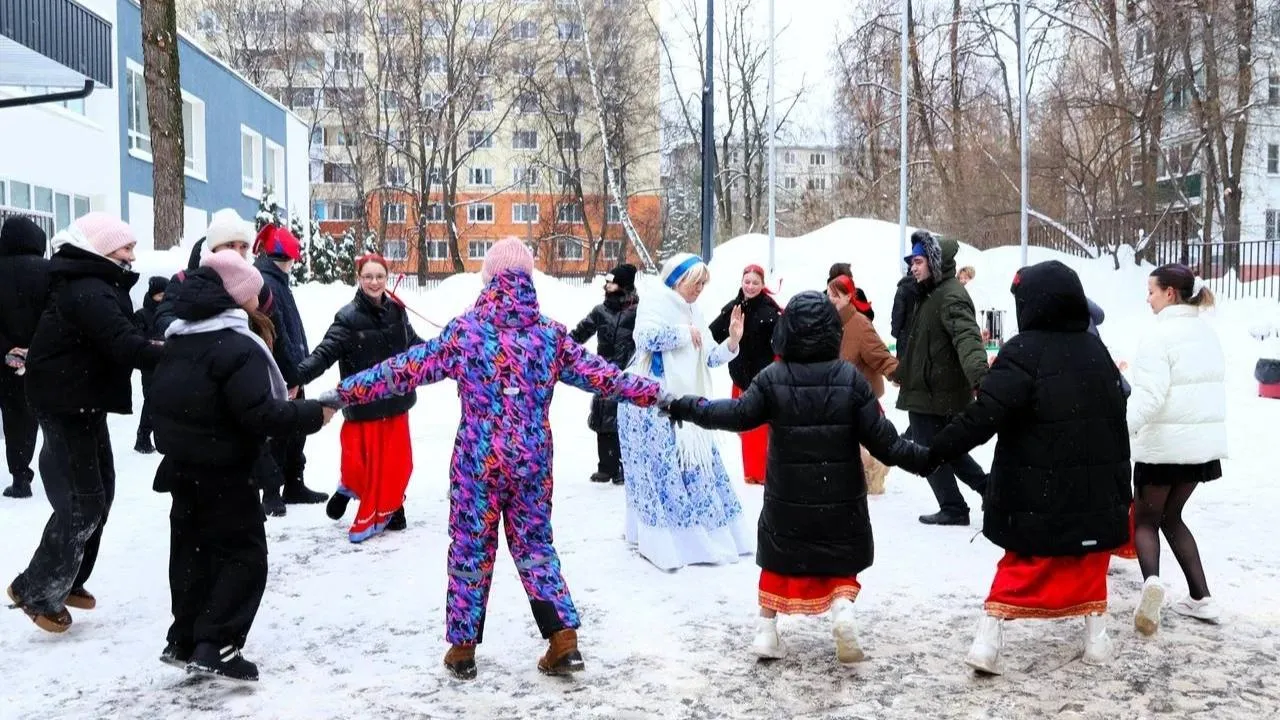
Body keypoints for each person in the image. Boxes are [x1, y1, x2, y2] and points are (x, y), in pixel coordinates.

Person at [322, 238, 664, 680]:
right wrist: (659, 395)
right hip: (531, 460)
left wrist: (342, 393)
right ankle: (562, 639)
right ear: (527, 280)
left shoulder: (466, 332)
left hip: (476, 463)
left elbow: (402, 369)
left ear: (488, 279)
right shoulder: (549, 335)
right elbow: (606, 377)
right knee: (536, 547)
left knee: (469, 547)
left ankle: (462, 650)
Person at [664, 292, 931, 663]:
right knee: (839, 561)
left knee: (778, 562)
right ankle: (842, 614)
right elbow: (886, 443)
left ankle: (766, 632)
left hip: (787, 500)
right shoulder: (849, 380)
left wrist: (684, 405)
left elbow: (736, 414)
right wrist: (928, 457)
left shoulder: (773, 378)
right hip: (839, 500)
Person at [925, 261, 1132, 675]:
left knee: (1022, 564)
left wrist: (933, 451)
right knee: (1088, 563)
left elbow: (983, 416)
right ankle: (1097, 638)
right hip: (1094, 489)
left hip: (1036, 489)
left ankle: (988, 640)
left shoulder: (1024, 350)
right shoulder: (1097, 350)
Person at [151, 251, 334, 681]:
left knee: (192, 555)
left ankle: (185, 638)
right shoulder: (236, 346)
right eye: (255, 295)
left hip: (182, 469)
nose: (261, 302)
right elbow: (261, 415)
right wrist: (313, 414)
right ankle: (218, 644)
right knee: (243, 557)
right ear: (237, 298)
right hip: (226, 472)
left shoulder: (180, 339)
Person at [6, 213, 163, 633]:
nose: (132, 256)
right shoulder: (88, 289)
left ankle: (68, 578)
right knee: (83, 502)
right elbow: (123, 343)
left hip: (82, 400)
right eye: (124, 249)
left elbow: (126, 332)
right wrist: (180, 353)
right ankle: (35, 588)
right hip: (64, 402)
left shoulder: (99, 284)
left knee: (100, 494)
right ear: (100, 249)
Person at [618, 253, 753, 571]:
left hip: (687, 407)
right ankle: (667, 540)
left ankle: (699, 536)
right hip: (653, 404)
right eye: (697, 283)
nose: (700, 289)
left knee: (695, 471)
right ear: (679, 279)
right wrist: (682, 333)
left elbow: (709, 358)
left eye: (704, 284)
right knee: (664, 472)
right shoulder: (656, 302)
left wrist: (733, 342)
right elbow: (644, 338)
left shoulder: (695, 310)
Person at [1126, 264, 1227, 635]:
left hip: (1163, 449)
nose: (1147, 298)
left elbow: (1149, 399)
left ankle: (1152, 583)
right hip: (1200, 451)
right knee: (1173, 517)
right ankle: (1201, 598)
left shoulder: (1159, 336)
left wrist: (1122, 430)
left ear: (1170, 293)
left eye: (1151, 291)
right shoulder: (1207, 333)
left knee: (1147, 521)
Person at [297, 253, 423, 541]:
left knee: (397, 464)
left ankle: (393, 507)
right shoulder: (348, 317)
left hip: (397, 403)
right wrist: (298, 376)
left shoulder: (397, 312)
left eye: (379, 276)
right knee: (362, 463)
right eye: (368, 276)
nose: (374, 282)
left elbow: (415, 345)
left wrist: (446, 353)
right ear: (359, 278)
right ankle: (350, 489)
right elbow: (324, 353)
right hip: (363, 406)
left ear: (386, 278)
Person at [896, 230, 990, 526]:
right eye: (912, 261)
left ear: (935, 263)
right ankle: (988, 489)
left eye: (919, 261)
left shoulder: (949, 295)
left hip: (937, 392)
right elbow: (924, 344)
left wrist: (981, 380)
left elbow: (967, 338)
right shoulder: (932, 292)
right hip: (931, 388)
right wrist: (902, 372)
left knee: (928, 451)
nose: (914, 266)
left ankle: (953, 507)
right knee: (947, 448)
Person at [254, 224, 328, 513]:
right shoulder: (267, 282)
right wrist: (288, 375)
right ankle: (271, 492)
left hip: (292, 367)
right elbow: (276, 332)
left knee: (296, 431)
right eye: (292, 260)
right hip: (280, 372)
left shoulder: (276, 279)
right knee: (279, 432)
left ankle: (294, 484)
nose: (293, 265)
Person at [709, 264, 782, 485]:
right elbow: (711, 335)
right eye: (747, 282)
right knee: (745, 428)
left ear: (762, 285)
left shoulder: (771, 312)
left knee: (759, 430)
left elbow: (781, 343)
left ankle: (761, 475)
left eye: (755, 283)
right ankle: (751, 474)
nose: (750, 286)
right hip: (740, 378)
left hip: (763, 380)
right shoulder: (732, 309)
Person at [827, 274, 898, 495]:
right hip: (838, 391)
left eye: (836, 295)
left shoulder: (859, 324)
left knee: (848, 437)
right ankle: (865, 470)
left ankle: (874, 468)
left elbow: (879, 354)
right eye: (829, 294)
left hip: (858, 392)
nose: (831, 299)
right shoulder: (830, 321)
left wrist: (896, 373)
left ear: (849, 296)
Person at [570, 263, 639, 485]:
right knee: (603, 417)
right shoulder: (601, 311)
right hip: (603, 371)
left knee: (623, 421)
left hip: (628, 372)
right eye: (607, 282)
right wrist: (564, 347)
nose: (607, 285)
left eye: (612, 281)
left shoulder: (637, 312)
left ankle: (623, 467)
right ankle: (606, 466)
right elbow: (581, 332)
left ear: (624, 285)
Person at [0, 217, 50, 499]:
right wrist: (33, 348)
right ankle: (30, 474)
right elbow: (54, 313)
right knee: (33, 416)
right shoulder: (48, 271)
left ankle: (20, 476)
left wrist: (8, 349)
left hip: (3, 359)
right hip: (39, 358)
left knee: (12, 414)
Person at [153, 209, 256, 336]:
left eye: (243, 247)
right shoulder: (184, 280)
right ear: (213, 248)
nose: (238, 253)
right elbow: (163, 319)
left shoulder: (251, 283)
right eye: (230, 245)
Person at [132, 276, 169, 454]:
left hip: (167, 362)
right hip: (150, 364)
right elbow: (137, 338)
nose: (163, 298)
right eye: (160, 294)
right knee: (151, 401)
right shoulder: (142, 315)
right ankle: (143, 437)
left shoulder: (170, 312)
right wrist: (153, 343)